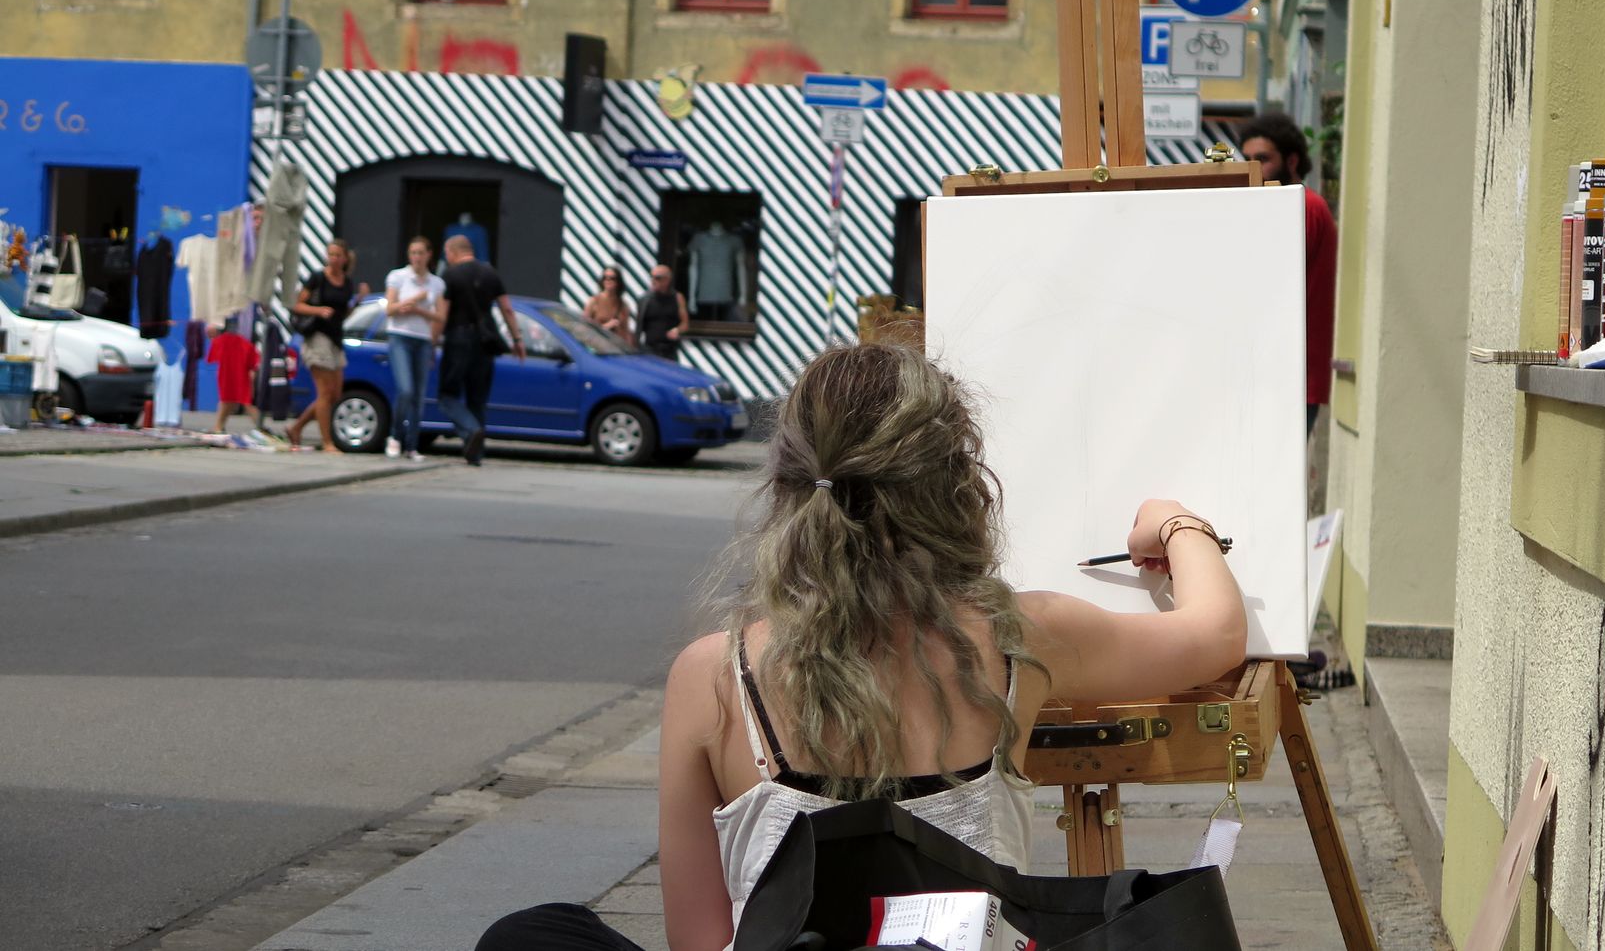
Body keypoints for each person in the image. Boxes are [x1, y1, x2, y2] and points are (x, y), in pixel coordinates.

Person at [476, 343, 1247, 951]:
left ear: (789, 482)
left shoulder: (714, 676)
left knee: (531, 933)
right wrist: (1174, 521)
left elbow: (702, 941)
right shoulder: (1019, 638)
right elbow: (1215, 635)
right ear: (958, 488)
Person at [1237, 113, 1338, 433]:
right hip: (1277, 373)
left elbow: (1270, 281)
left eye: (1263, 159)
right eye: (1247, 158)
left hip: (1290, 377)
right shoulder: (1283, 206)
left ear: (1292, 160)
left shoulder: (1301, 206)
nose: (1253, 166)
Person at [436, 235, 524, 466]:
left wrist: (433, 339)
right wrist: (517, 339)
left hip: (458, 337)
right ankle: (475, 453)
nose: (447, 257)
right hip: (485, 341)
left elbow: (442, 313)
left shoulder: (450, 274)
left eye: (447, 253)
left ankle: (471, 430)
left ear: (454, 252)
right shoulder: (490, 273)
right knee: (478, 398)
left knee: (447, 395)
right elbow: (507, 308)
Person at [286, 239, 357, 452]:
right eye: (331, 254)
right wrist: (318, 310)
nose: (334, 259)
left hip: (336, 338)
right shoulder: (317, 278)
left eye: (338, 255)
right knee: (325, 393)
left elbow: (343, 314)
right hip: (317, 336)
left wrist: (358, 301)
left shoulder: (347, 282)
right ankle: (327, 442)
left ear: (345, 258)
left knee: (335, 394)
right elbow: (297, 305)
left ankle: (296, 427)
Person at [383, 236, 445, 459]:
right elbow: (389, 309)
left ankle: (412, 445)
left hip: (423, 338)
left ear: (429, 255)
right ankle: (395, 435)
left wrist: (420, 310)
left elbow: (440, 316)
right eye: (413, 253)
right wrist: (408, 303)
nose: (417, 258)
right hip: (400, 336)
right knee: (406, 389)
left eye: (421, 253)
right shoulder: (398, 276)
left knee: (419, 395)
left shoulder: (436, 283)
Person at [634, 265, 690, 361]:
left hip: (669, 350)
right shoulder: (645, 300)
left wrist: (677, 330)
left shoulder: (677, 298)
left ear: (667, 280)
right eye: (651, 277)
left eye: (657, 278)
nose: (653, 281)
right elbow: (639, 327)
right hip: (649, 349)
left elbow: (685, 324)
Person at [584, 267, 635, 345]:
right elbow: (584, 329)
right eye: (605, 278)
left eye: (612, 278)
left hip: (617, 348)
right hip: (599, 348)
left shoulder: (623, 305)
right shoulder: (593, 301)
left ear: (618, 282)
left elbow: (626, 332)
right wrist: (605, 326)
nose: (608, 281)